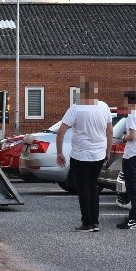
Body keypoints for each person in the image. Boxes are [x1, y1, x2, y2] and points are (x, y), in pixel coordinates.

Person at [56, 78, 113, 232]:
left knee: (83, 189)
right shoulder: (104, 107)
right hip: (99, 154)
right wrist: (108, 151)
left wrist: (60, 152)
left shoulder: (76, 108)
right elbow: (109, 131)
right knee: (93, 187)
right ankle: (95, 222)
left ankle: (86, 223)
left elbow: (61, 132)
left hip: (80, 155)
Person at [116, 91, 136, 230]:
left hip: (131, 155)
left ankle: (133, 220)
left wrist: (124, 137)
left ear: (128, 101)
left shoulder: (132, 115)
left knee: (132, 188)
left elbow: (132, 136)